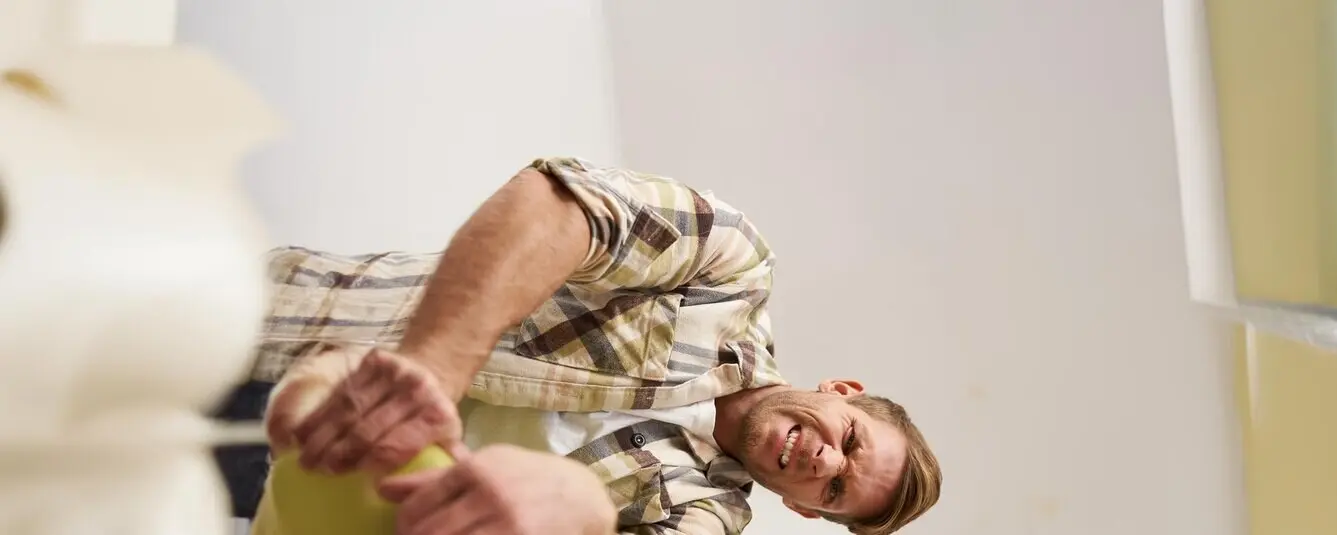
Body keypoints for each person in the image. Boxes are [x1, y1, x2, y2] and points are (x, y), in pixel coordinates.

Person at [250, 157, 942, 535]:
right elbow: (557, 203)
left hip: (278, 508)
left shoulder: (704, 517)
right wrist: (427, 371)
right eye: (851, 440)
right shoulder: (729, 270)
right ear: (843, 391)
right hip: (274, 329)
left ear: (805, 509)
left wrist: (580, 506)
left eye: (836, 488)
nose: (824, 459)